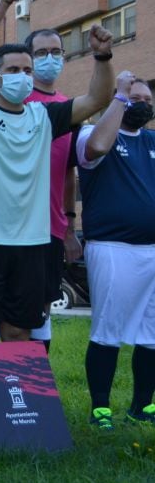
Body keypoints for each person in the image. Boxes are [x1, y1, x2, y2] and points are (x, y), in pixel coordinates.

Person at [0, 6, 115, 344]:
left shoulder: (45, 116)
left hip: (32, 245)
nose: (22, 76)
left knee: (19, 332)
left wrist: (104, 56)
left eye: (27, 70)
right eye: (13, 70)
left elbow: (98, 97)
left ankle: (13, 396)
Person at [0, 0, 79, 351]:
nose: (49, 59)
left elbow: (68, 170)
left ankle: (29, 398)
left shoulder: (64, 107)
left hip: (45, 229)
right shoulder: (8, 94)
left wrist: (68, 226)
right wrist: (3, 1)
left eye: (56, 51)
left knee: (34, 318)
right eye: (41, 52)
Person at [76, 72, 155, 429]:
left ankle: (143, 407)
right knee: (107, 329)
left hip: (151, 249)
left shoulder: (152, 141)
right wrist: (119, 97)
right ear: (117, 99)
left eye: (147, 100)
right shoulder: (91, 134)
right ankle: (101, 408)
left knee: (152, 334)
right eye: (133, 97)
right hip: (112, 246)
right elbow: (95, 151)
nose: (143, 104)